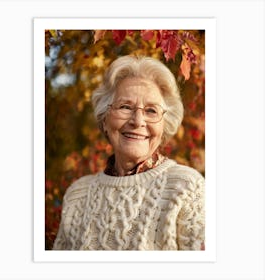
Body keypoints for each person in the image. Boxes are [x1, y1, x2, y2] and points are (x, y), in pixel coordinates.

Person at [53, 55, 205, 250]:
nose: (138, 121)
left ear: (164, 125)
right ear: (105, 119)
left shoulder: (186, 188)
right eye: (125, 107)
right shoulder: (77, 195)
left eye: (151, 111)